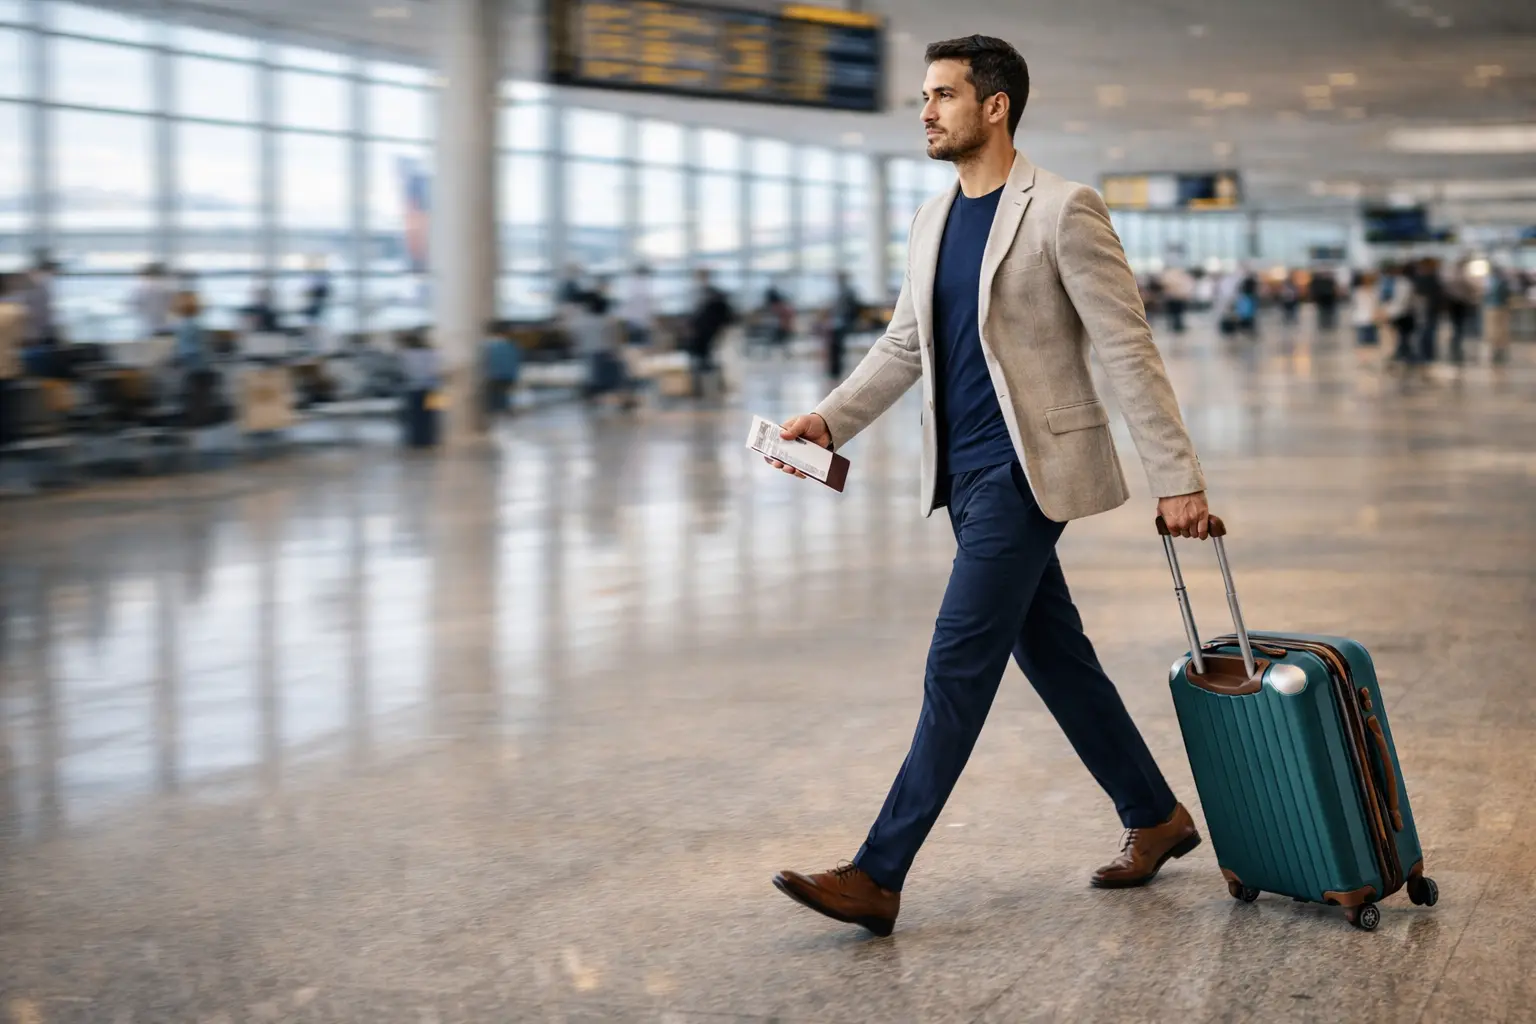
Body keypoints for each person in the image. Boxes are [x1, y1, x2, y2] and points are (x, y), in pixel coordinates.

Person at [767, 34, 1211, 938]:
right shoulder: (933, 219)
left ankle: (878, 873)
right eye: (923, 97)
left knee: (957, 661)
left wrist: (1179, 479)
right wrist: (829, 419)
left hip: (1025, 472)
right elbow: (904, 344)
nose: (925, 111)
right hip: (962, 477)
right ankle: (1156, 815)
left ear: (995, 105)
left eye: (942, 95)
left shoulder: (1063, 209)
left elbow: (1128, 348)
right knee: (1053, 654)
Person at [686, 269, 734, 398]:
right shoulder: (706, 295)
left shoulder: (713, 297)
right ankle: (705, 388)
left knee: (709, 361)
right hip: (705, 336)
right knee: (704, 361)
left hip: (708, 335)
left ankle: (709, 388)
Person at [826, 271, 861, 379]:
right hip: (839, 322)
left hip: (845, 322)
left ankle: (836, 370)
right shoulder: (841, 293)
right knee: (833, 344)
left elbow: (852, 310)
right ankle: (834, 370)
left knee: (836, 343)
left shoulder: (848, 293)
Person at [1381, 263, 1417, 364]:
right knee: (1403, 335)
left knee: (1400, 335)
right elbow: (1402, 299)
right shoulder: (1405, 283)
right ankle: (1402, 353)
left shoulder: (1394, 282)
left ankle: (1401, 352)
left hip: (1396, 311)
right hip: (1402, 312)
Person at [483, 321, 522, 413]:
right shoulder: (511, 345)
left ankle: (497, 418)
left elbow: (485, 363)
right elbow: (515, 363)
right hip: (507, 377)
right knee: (504, 401)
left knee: (494, 404)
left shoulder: (489, 346)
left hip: (493, 377)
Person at [130, 262, 176, 339]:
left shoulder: (142, 289)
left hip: (151, 327)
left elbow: (134, 306)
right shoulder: (169, 287)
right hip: (169, 327)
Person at [1484, 264, 1513, 365]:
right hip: (1499, 307)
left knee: (1496, 329)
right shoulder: (1502, 281)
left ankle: (1497, 348)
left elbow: (1487, 294)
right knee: (1499, 329)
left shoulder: (1491, 282)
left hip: (1494, 307)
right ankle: (1497, 348)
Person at [621, 264, 654, 347]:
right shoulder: (644, 287)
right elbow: (647, 307)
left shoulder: (631, 285)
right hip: (641, 322)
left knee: (633, 345)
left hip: (632, 321)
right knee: (642, 345)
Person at [1350, 270, 1380, 346]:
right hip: (1366, 318)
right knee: (1367, 343)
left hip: (1367, 319)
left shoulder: (1358, 291)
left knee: (1366, 343)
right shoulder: (1374, 291)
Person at [1160, 265, 1193, 334]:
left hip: (1178, 298)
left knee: (1178, 314)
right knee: (1174, 314)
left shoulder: (1179, 278)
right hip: (1173, 299)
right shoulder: (1170, 277)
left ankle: (1177, 325)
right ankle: (1175, 325)